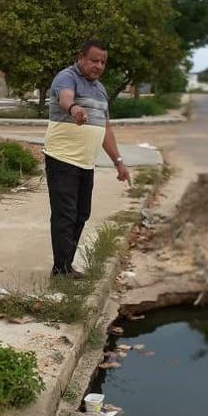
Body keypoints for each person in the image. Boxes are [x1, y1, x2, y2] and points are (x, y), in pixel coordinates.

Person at [43, 40, 131, 279]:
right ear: (80, 57)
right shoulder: (67, 77)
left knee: (81, 214)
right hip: (62, 159)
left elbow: (106, 129)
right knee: (65, 214)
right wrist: (74, 109)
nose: (99, 65)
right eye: (94, 60)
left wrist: (119, 162)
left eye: (103, 62)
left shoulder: (100, 89)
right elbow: (65, 98)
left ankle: (66, 265)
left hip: (85, 163)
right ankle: (60, 269)